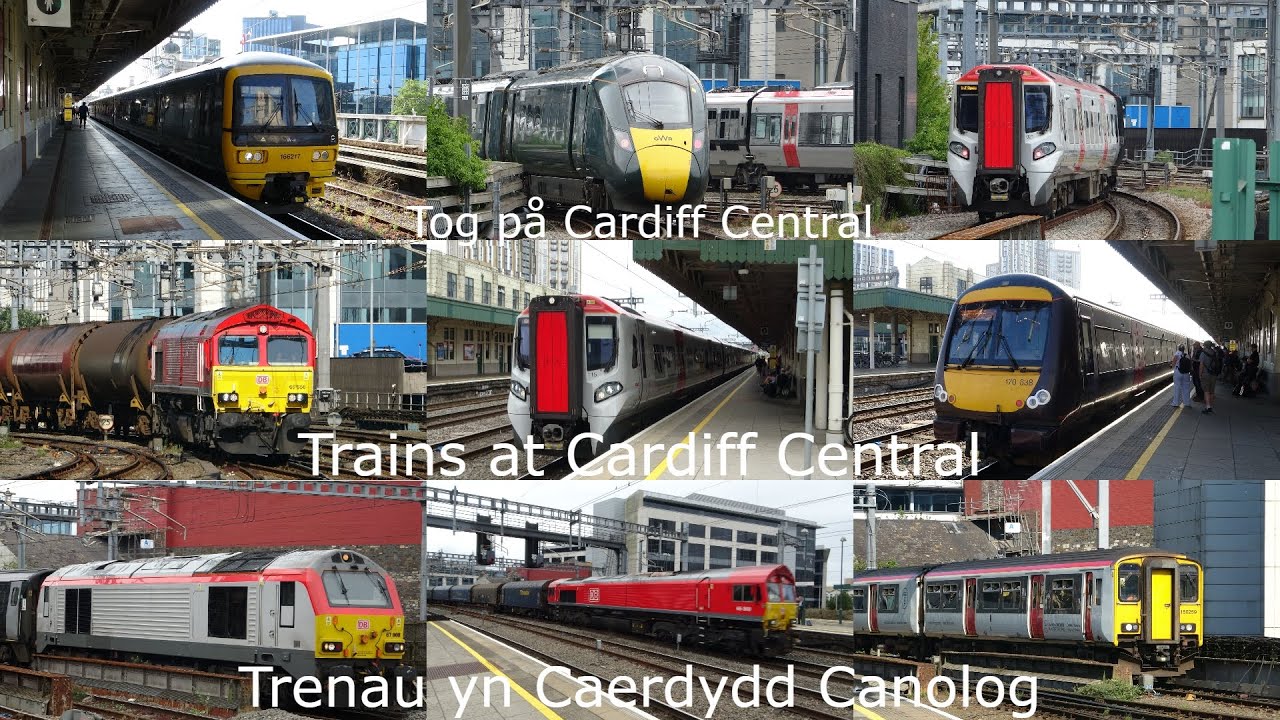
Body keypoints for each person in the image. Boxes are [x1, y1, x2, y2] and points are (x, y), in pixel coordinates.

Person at [1198, 340, 1221, 415]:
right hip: (1213, 374)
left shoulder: (1203, 353)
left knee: (1206, 391)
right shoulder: (1215, 353)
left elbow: (1201, 365)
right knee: (1211, 391)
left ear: (1204, 345)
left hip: (1206, 374)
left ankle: (1208, 407)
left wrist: (1200, 374)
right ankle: (1210, 405)